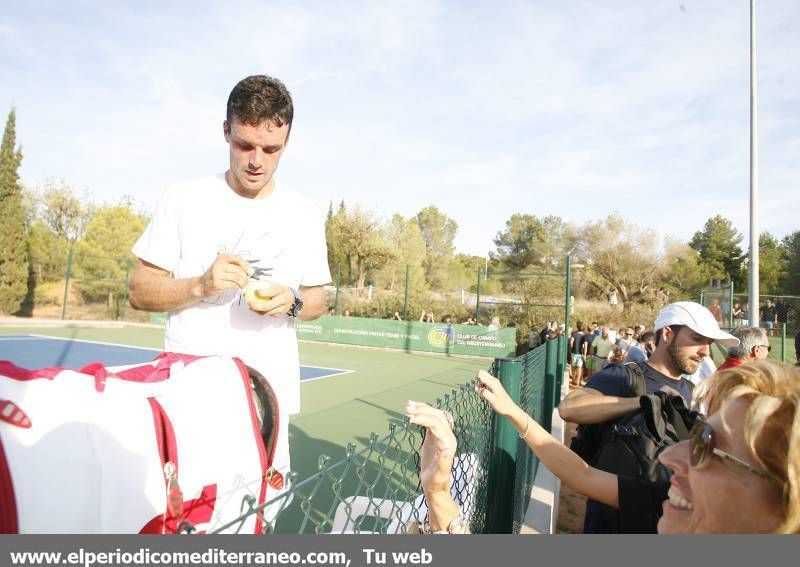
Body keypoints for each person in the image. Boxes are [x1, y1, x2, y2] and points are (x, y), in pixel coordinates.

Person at [128, 75, 331, 480]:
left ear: (286, 143)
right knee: (186, 519)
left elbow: (317, 301)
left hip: (268, 401)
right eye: (245, 145)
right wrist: (199, 286)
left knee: (260, 518)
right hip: (189, 398)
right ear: (226, 132)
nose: (257, 160)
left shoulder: (305, 213)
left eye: (271, 149)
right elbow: (138, 289)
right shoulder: (183, 198)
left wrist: (290, 302)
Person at [408, 359, 800, 533]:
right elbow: (582, 474)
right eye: (696, 436)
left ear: (784, 505)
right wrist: (439, 491)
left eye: (708, 445)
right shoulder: (668, 500)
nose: (670, 456)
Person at [557, 301, 738, 533]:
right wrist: (645, 402)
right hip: (611, 525)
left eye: (709, 344)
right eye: (696, 339)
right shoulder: (624, 376)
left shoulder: (693, 394)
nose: (705, 351)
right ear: (668, 334)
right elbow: (570, 408)